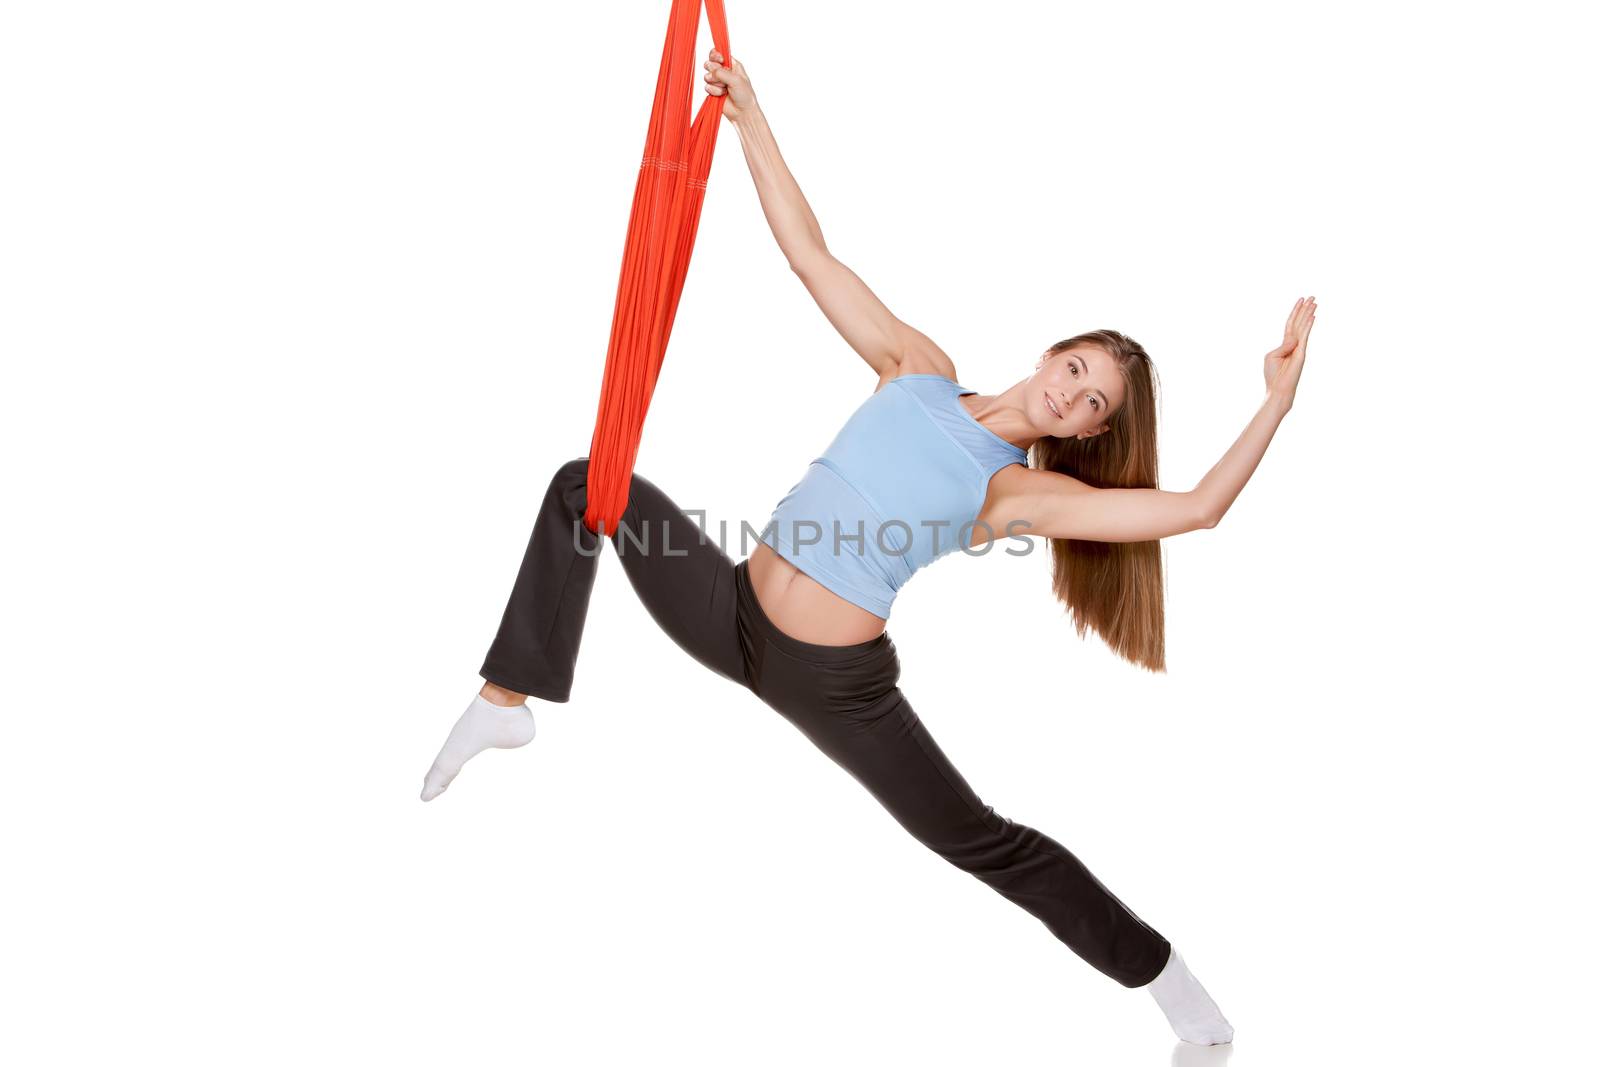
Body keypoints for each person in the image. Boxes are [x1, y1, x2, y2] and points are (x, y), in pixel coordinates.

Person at [421, 49, 1317, 1047]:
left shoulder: (1020, 489)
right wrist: (750, 116)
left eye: (1091, 399)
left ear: (1089, 430)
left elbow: (1193, 510)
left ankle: (1174, 986)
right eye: (1074, 366)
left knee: (979, 839)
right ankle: (508, 700)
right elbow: (809, 254)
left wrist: (1272, 403)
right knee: (587, 483)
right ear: (1050, 350)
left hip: (830, 680)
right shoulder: (916, 369)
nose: (1069, 391)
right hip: (728, 614)